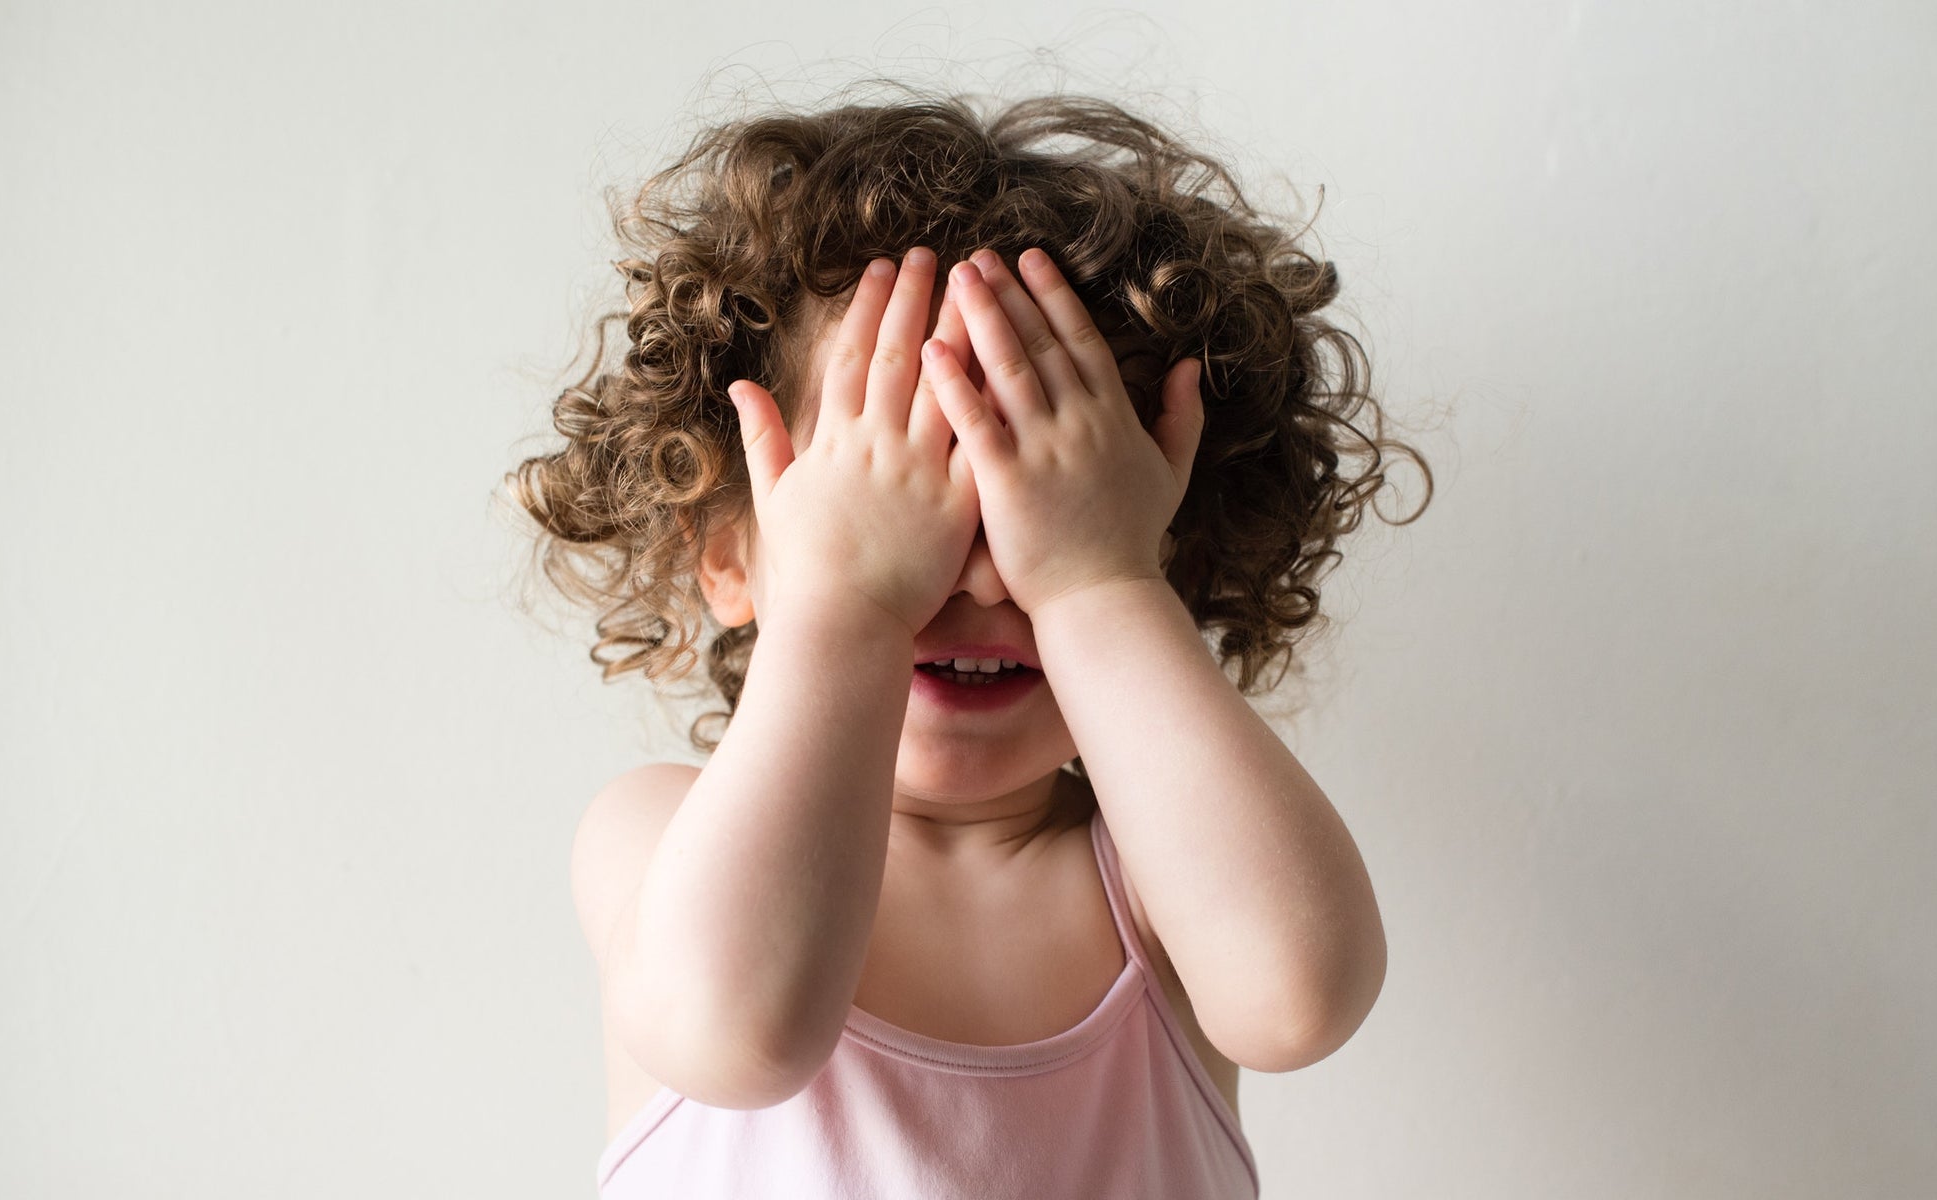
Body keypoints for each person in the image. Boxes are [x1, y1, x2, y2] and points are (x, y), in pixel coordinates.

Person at [506, 80, 1432, 1199]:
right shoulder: (652, 834)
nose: (978, 573)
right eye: (889, 501)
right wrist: (845, 608)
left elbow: (1300, 999)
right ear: (727, 556)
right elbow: (733, 1035)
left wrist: (1095, 585)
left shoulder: (1156, 884)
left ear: (1169, 551)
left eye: (1037, 515)